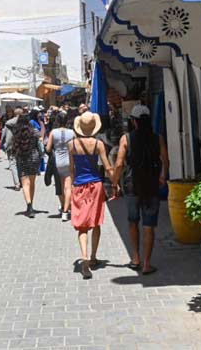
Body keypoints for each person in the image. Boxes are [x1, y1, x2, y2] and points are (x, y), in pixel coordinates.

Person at [111, 105, 168, 275]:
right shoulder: (158, 138)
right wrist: (162, 176)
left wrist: (114, 183)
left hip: (132, 184)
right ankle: (147, 264)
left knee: (132, 221)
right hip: (151, 184)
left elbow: (119, 163)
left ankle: (135, 258)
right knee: (149, 225)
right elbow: (165, 160)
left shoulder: (126, 138)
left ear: (134, 121)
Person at [68, 112, 113, 279]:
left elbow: (71, 169)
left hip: (79, 185)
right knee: (96, 222)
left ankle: (84, 256)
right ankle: (94, 257)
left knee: (82, 226)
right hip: (96, 185)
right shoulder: (99, 144)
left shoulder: (72, 145)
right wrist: (115, 182)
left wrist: (73, 185)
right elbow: (107, 166)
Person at [46, 112, 74, 221]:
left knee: (61, 187)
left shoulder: (53, 132)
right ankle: (65, 212)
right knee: (68, 187)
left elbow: (48, 149)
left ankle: (63, 207)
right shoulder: (72, 132)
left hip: (58, 162)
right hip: (69, 161)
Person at [12, 114, 42, 218]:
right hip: (34, 157)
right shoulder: (34, 131)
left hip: (22, 158)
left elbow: (14, 145)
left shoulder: (16, 132)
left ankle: (29, 206)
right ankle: (31, 204)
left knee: (25, 183)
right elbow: (40, 141)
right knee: (32, 182)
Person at [3, 107, 22, 191]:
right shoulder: (24, 123)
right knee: (20, 164)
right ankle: (22, 182)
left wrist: (3, 146)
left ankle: (17, 184)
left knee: (13, 165)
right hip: (21, 146)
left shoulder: (8, 123)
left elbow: (4, 135)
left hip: (11, 146)